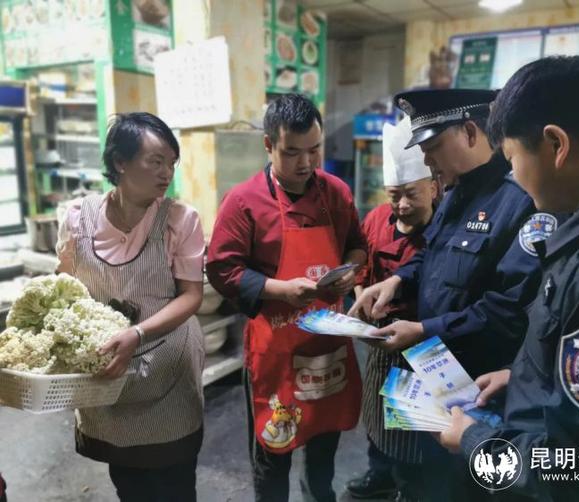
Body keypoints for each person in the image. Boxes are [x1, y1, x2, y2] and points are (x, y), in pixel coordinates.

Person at [438, 55, 579, 502]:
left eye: (513, 159)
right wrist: (525, 376)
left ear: (555, 144)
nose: (514, 177)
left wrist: (474, 443)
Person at [349, 89, 557, 501]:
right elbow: (431, 255)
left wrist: (424, 328)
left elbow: (507, 310)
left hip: (480, 388)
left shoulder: (519, 201)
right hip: (432, 373)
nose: (428, 161)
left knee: (460, 487)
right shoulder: (456, 192)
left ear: (469, 132)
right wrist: (398, 280)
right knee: (418, 478)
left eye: (432, 148)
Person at [206, 93, 367, 502]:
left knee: (323, 448)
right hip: (276, 351)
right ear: (268, 145)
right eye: (292, 152)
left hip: (327, 345)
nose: (306, 163)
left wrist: (350, 272)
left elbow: (357, 245)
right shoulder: (243, 202)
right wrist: (281, 290)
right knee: (273, 452)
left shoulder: (335, 193)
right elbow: (222, 269)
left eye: (314, 149)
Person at [56, 112, 206, 502]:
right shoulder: (78, 219)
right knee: (128, 480)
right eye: (155, 161)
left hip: (168, 369)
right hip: (111, 371)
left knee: (175, 482)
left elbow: (192, 295)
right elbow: (65, 288)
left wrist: (137, 333)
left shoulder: (180, 220)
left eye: (171, 163)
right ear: (120, 161)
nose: (166, 173)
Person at [346, 117, 438, 501]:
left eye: (411, 194)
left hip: (425, 342)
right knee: (378, 414)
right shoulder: (374, 221)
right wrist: (361, 300)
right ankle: (380, 474)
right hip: (381, 340)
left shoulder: (444, 228)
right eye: (393, 195)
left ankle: (410, 486)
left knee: (415, 428)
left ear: (433, 187)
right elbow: (361, 271)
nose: (401, 205)